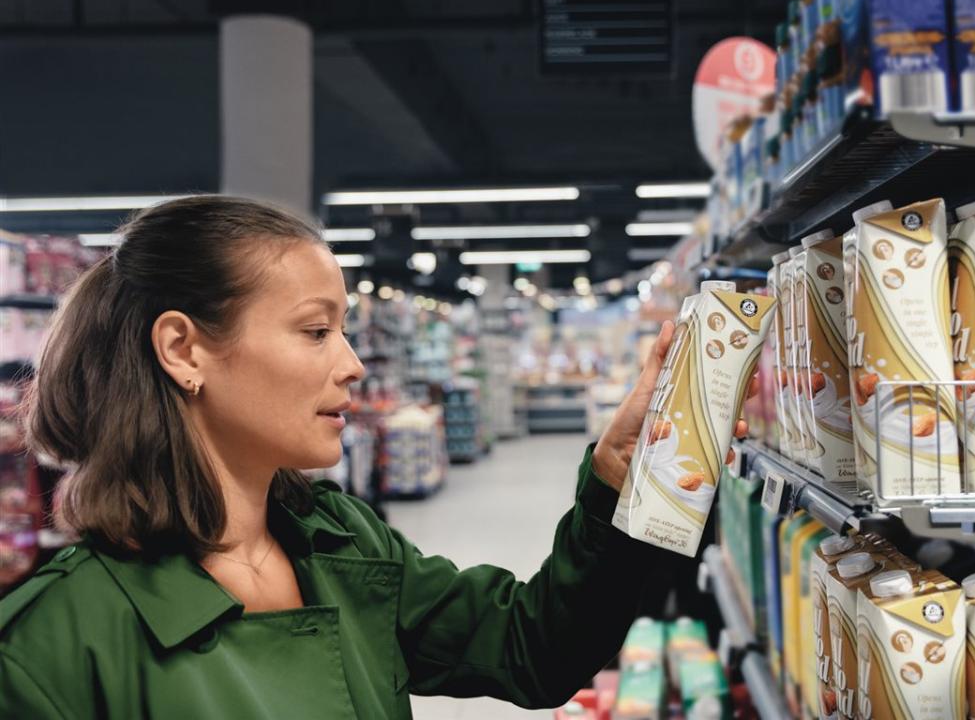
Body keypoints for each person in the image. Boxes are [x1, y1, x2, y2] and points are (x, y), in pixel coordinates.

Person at [0, 196, 749, 718]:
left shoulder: (342, 543)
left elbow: (533, 648)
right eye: (316, 330)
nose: (354, 363)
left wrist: (620, 476)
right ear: (183, 348)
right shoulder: (52, 644)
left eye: (347, 329)